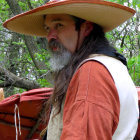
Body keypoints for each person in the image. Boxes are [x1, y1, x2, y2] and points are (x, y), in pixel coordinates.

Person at [3, 0, 139, 139]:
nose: (50, 37)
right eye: (48, 29)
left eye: (59, 25)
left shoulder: (92, 72)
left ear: (86, 28)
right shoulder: (112, 65)